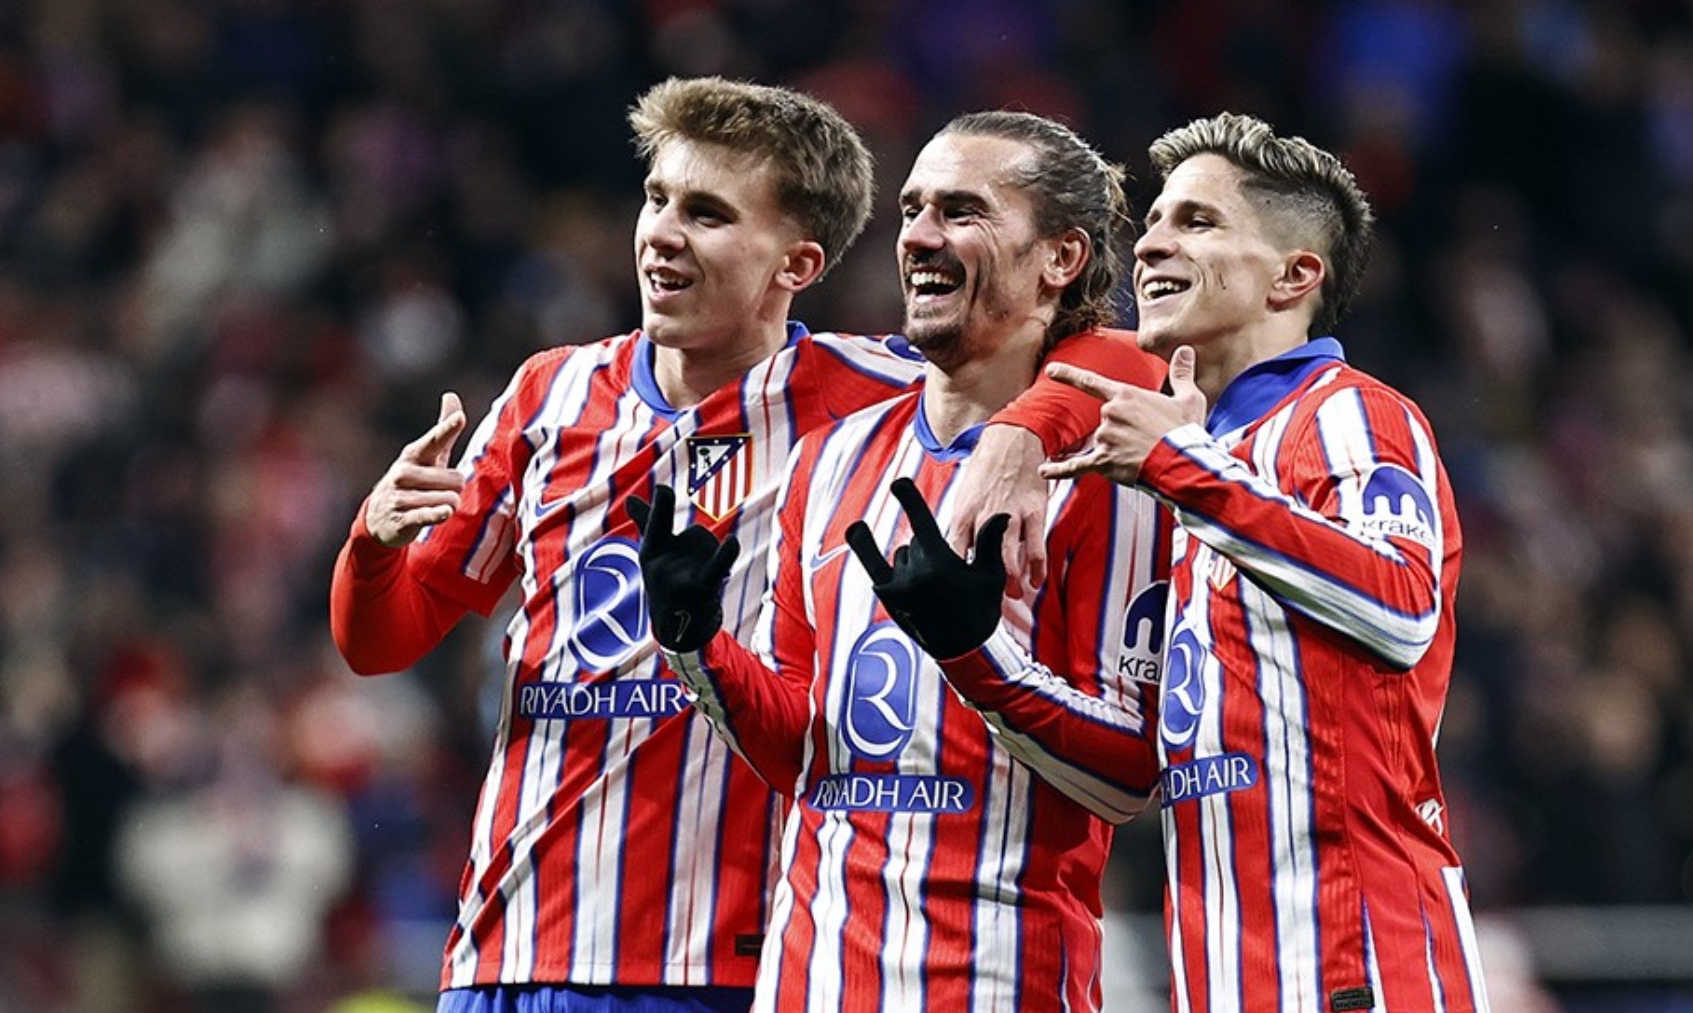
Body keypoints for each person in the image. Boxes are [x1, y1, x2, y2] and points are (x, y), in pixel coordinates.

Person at [330, 78, 1128, 1013]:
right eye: (657, 198)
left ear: (798, 262)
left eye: (705, 214)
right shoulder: (548, 398)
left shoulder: (873, 397)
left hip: (727, 966)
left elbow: (1109, 352)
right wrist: (373, 541)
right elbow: (379, 640)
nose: (662, 232)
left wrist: (1026, 430)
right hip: (510, 942)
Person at [628, 111, 1170, 1012]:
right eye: (914, 208)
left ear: (1060, 258)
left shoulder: (1104, 476)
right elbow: (804, 750)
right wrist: (696, 645)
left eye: (963, 211)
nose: (917, 234)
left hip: (997, 980)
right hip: (809, 981)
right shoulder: (831, 459)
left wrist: (976, 656)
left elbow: (1130, 778)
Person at [1043, 112, 1490, 1012]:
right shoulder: (1190, 459)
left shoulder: (1351, 416)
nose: (1153, 243)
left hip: (1359, 964)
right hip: (1224, 974)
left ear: (1295, 274)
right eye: (1157, 220)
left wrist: (1183, 468)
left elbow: (1402, 608)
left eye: (1198, 222)